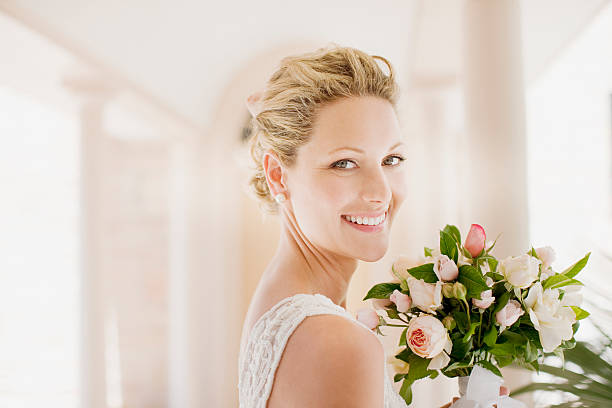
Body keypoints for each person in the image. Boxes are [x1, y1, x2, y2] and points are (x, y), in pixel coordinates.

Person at [237, 44, 507, 407]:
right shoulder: (337, 341)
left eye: (391, 159)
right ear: (277, 175)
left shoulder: (282, 304)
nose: (381, 192)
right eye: (344, 164)